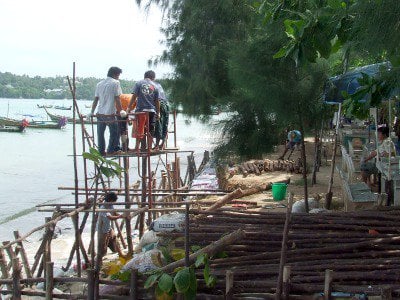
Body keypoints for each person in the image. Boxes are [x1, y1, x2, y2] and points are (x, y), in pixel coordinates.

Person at [87, 67, 124, 156]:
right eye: (118, 75)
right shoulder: (116, 83)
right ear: (115, 75)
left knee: (100, 134)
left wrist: (92, 111)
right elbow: (117, 99)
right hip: (110, 113)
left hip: (100, 113)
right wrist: (121, 110)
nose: (118, 77)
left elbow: (96, 99)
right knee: (115, 132)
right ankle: (111, 150)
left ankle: (101, 151)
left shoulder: (99, 84)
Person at [127, 70, 160, 151]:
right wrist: (158, 113)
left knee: (139, 128)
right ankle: (149, 148)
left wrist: (128, 108)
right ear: (153, 78)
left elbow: (134, 96)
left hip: (141, 110)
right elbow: (157, 101)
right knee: (150, 129)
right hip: (151, 111)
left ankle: (137, 148)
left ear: (144, 76)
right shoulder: (155, 86)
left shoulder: (138, 83)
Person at [96, 192, 126, 267]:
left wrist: (122, 216)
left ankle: (121, 255)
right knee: (102, 247)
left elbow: (114, 213)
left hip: (108, 227)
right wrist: (120, 217)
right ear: (111, 200)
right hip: (102, 230)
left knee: (114, 239)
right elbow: (110, 218)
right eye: (114, 200)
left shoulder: (110, 205)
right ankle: (98, 262)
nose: (115, 202)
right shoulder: (103, 208)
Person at [153, 81, 169, 150]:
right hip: (165, 105)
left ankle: (157, 145)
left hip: (160, 105)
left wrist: (157, 111)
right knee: (164, 125)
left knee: (158, 126)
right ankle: (162, 144)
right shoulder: (158, 85)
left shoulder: (152, 85)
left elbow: (157, 100)